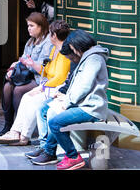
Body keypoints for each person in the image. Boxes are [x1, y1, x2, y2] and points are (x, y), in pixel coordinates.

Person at [28, 30, 109, 170]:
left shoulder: (94, 59)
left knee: (55, 122)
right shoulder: (90, 57)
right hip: (85, 104)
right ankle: (49, 151)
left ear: (75, 47)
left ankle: (73, 157)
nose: (73, 57)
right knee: (52, 112)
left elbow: (84, 87)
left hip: (91, 108)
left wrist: (66, 103)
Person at [0, 20, 71, 146]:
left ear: (54, 36)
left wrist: (41, 88)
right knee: (27, 97)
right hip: (49, 86)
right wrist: (34, 65)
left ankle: (23, 136)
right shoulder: (55, 50)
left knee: (32, 100)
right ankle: (16, 132)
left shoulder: (64, 52)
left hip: (57, 89)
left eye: (50, 34)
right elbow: (47, 71)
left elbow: (60, 77)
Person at [0, 12, 53, 136]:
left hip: (40, 79)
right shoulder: (30, 41)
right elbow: (23, 59)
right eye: (28, 26)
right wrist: (14, 66)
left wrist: (29, 64)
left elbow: (43, 68)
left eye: (32, 26)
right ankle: (8, 125)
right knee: (7, 87)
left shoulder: (48, 42)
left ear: (41, 26)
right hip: (27, 76)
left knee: (18, 90)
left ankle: (22, 128)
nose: (29, 28)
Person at [24, 36, 79, 158]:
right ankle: (44, 147)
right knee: (41, 108)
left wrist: (65, 98)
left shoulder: (89, 61)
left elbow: (82, 87)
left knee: (53, 116)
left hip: (78, 101)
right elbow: (70, 81)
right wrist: (62, 92)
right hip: (64, 93)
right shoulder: (59, 52)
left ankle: (58, 153)